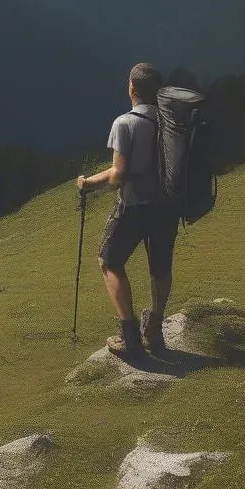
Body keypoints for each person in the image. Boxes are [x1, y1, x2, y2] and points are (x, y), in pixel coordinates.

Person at [76, 63, 177, 358]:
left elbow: (118, 175)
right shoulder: (171, 123)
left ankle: (130, 336)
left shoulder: (125, 123)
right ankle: (154, 330)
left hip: (135, 206)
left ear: (132, 88)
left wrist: (87, 182)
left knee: (109, 260)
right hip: (167, 208)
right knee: (160, 267)